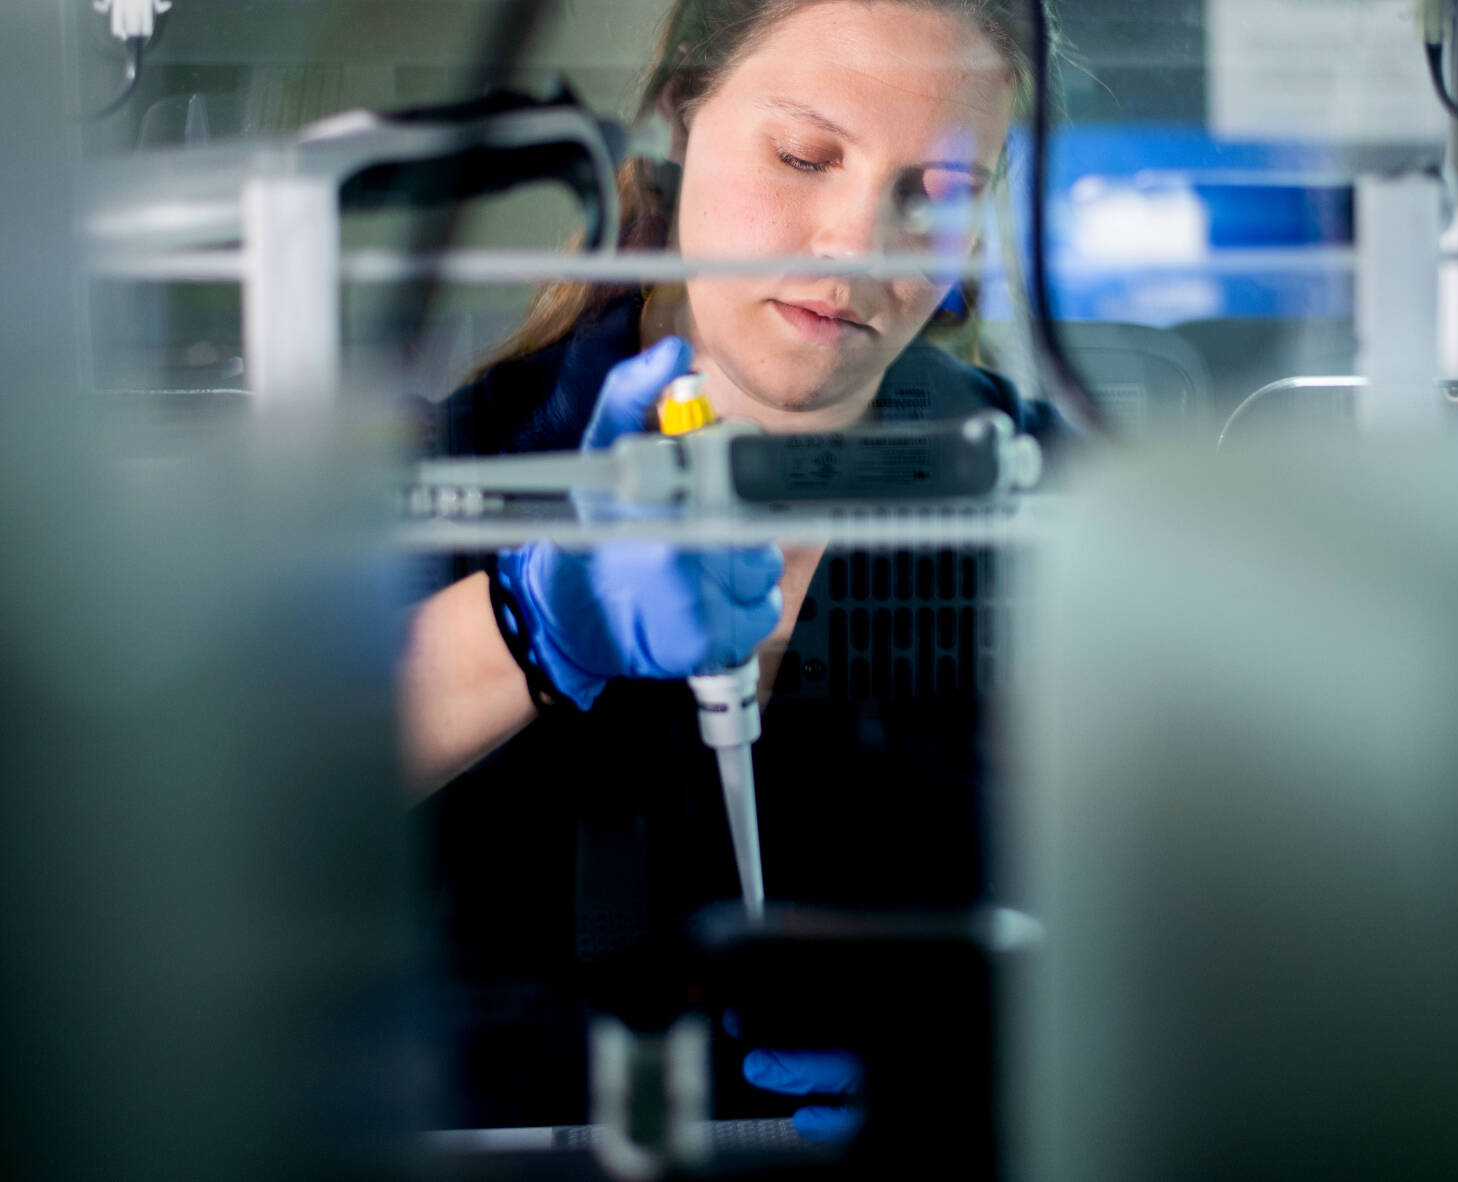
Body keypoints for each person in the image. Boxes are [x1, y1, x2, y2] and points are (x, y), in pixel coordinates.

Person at [397, 0, 1072, 1132]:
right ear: (676, 122)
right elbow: (223, 793)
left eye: (937, 193)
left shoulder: (1032, 495)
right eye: (803, 156)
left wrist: (1015, 1049)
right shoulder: (464, 467)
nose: (856, 246)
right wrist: (529, 617)